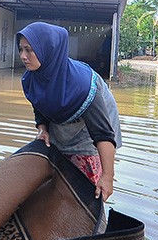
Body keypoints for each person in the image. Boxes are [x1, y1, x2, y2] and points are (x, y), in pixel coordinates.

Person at [17, 21, 122, 202]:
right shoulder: (30, 79)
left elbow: (102, 134)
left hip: (90, 131)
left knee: (85, 186)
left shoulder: (83, 86)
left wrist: (107, 177)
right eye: (21, 49)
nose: (23, 56)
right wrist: (42, 128)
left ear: (48, 50)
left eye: (29, 50)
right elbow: (39, 106)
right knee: (52, 179)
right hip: (63, 119)